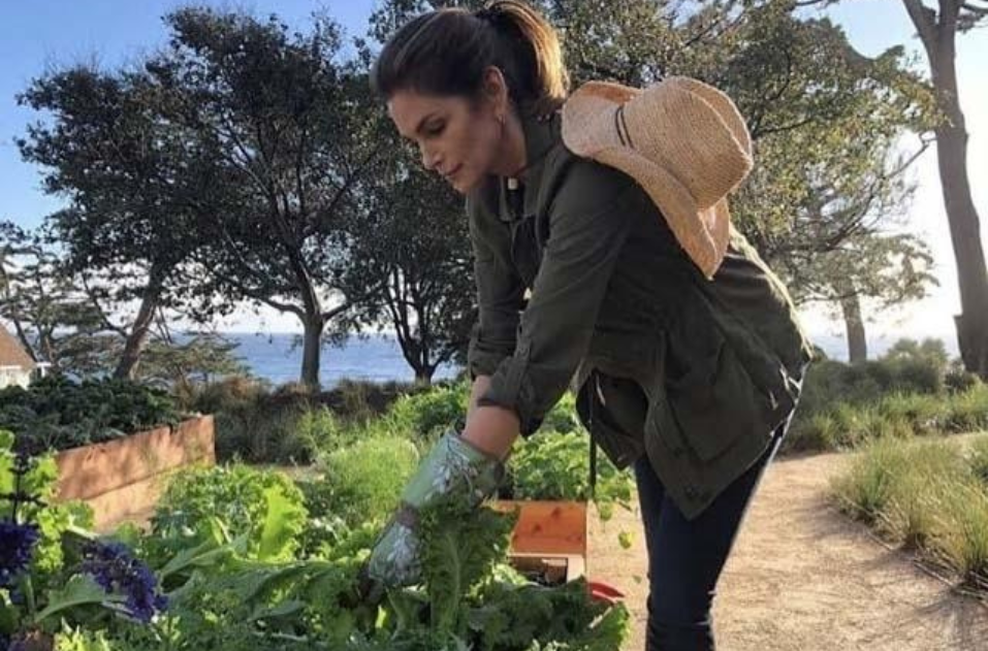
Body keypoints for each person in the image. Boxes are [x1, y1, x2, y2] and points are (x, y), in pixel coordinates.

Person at [361, 2, 814, 650]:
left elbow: (543, 352)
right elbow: (497, 333)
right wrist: (469, 467)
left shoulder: (588, 174)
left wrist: (424, 510)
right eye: (415, 141)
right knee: (670, 591)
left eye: (436, 127)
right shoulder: (490, 194)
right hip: (650, 386)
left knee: (681, 608)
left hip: (733, 368)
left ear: (493, 91)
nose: (429, 156)